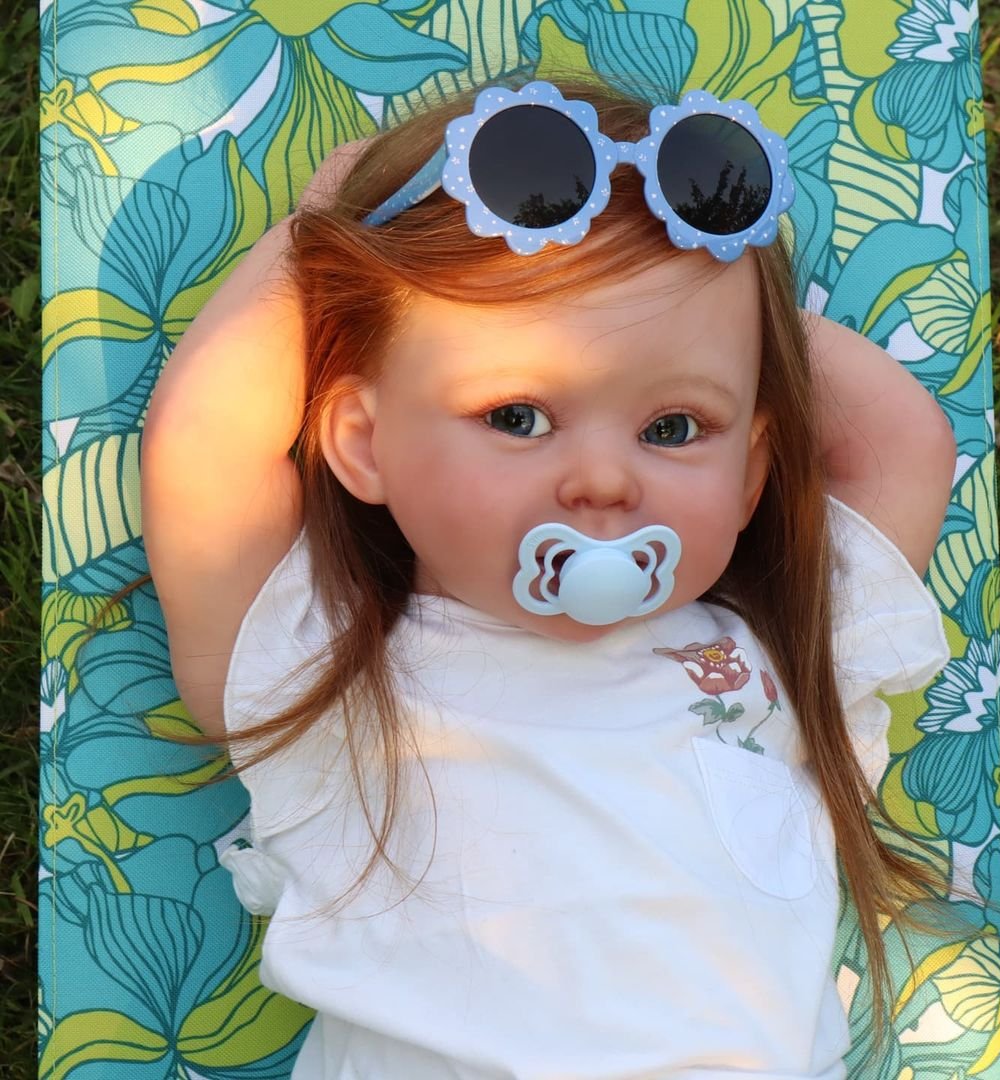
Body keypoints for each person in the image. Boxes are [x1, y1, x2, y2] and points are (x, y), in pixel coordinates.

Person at [140, 78, 957, 1079]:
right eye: (517, 417)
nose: (604, 480)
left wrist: (723, 312)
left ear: (750, 477)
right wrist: (324, 238)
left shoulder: (783, 660)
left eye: (673, 428)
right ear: (363, 443)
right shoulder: (326, 673)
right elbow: (206, 447)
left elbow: (899, 445)